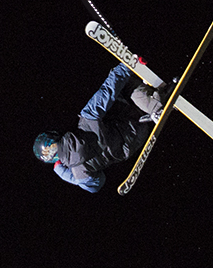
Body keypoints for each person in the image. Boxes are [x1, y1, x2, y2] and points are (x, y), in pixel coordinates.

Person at [33, 66, 168, 193]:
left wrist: (65, 173)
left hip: (136, 140)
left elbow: (97, 184)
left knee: (119, 107)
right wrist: (125, 66)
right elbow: (108, 90)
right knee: (122, 86)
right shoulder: (86, 120)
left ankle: (157, 101)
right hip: (127, 119)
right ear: (56, 135)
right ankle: (155, 105)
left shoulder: (79, 172)